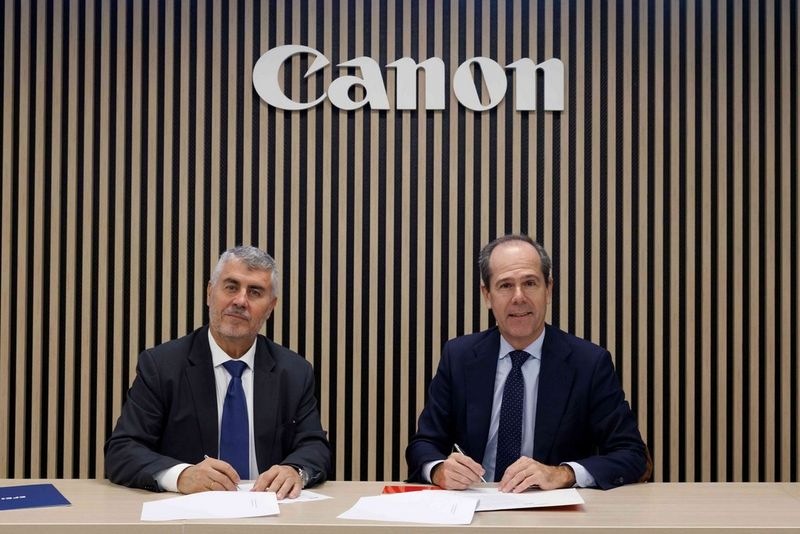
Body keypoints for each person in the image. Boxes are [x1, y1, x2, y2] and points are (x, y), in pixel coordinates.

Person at [406, 235, 650, 492]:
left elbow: (631, 454)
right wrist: (439, 470)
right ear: (487, 295)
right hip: (474, 504)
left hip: (553, 509)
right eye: (505, 285)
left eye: (530, 283)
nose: (519, 297)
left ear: (548, 290)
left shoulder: (589, 363)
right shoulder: (459, 357)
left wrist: (564, 473)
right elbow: (423, 445)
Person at [105, 246, 331, 498]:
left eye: (255, 292)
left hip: (271, 510)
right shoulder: (162, 366)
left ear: (270, 307)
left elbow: (314, 446)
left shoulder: (294, 372)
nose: (240, 301)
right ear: (210, 293)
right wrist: (180, 475)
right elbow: (123, 450)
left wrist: (295, 470)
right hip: (189, 511)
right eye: (231, 287)